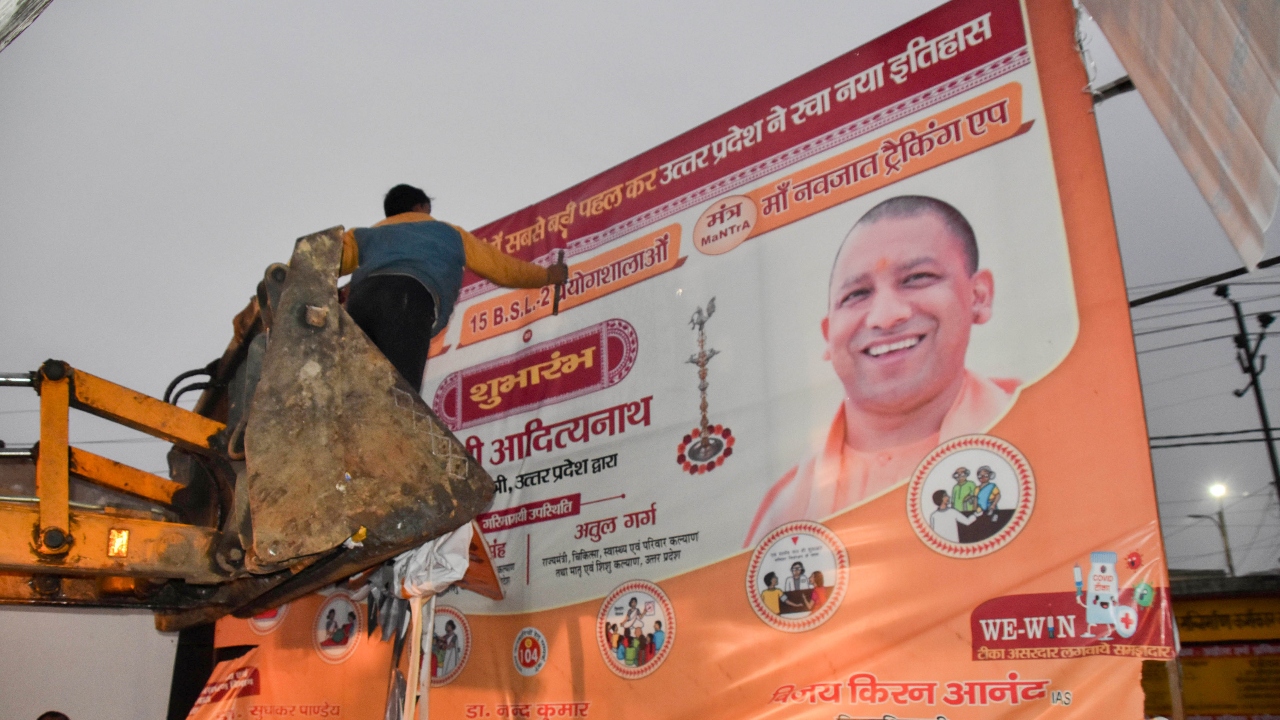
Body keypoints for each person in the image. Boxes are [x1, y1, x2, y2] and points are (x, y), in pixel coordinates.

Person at [745, 195, 1017, 547]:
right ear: (829, 338)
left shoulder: (1040, 427)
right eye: (857, 295)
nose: (885, 317)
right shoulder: (784, 512)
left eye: (917, 277)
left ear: (978, 296)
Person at [340, 184, 569, 392]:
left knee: (356, 388)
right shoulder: (449, 233)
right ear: (421, 206)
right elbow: (502, 269)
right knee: (400, 394)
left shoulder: (364, 235)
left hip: (361, 301)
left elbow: (330, 259)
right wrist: (548, 275)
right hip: (409, 299)